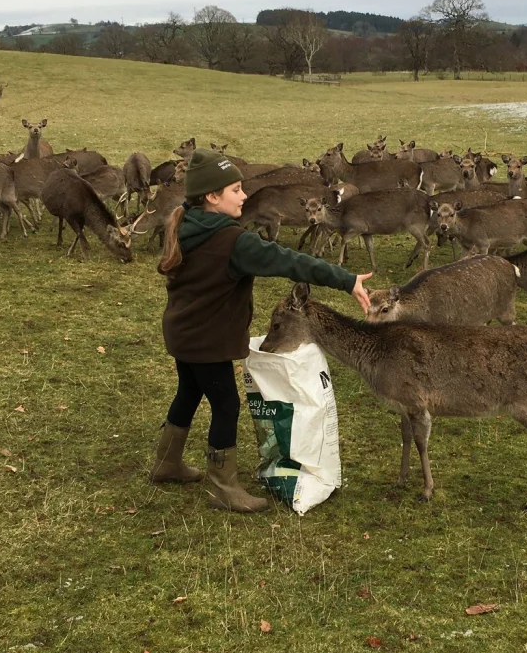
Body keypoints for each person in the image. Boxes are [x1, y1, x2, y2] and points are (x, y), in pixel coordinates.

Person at [151, 147, 371, 513]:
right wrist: (346, 280)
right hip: (208, 340)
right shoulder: (234, 242)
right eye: (236, 190)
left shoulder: (187, 224)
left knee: (189, 392)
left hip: (182, 333)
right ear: (212, 196)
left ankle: (166, 464)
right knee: (226, 405)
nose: (244, 196)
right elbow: (290, 262)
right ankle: (224, 487)